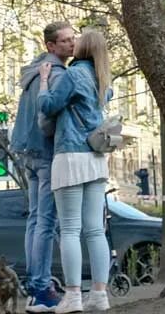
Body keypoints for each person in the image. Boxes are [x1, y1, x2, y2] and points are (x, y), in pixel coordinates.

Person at [39, 27, 113, 313]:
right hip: (96, 158)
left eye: (77, 40)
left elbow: (48, 105)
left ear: (84, 48)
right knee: (95, 230)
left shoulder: (73, 74)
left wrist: (45, 81)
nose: (73, 42)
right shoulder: (103, 76)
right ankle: (99, 295)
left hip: (71, 155)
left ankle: (72, 296)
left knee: (70, 229)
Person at [13, 21, 76, 310]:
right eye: (65, 41)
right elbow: (46, 116)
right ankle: (41, 288)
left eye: (72, 39)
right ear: (51, 46)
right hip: (46, 151)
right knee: (46, 223)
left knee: (36, 219)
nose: (71, 44)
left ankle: (34, 284)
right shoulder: (57, 73)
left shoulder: (34, 70)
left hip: (26, 150)